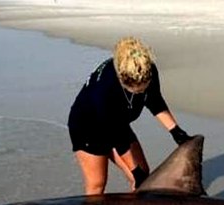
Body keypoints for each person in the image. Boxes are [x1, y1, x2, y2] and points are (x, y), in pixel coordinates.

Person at [67, 37, 192, 195]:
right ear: (121, 78)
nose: (140, 92)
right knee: (97, 183)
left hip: (118, 122)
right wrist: (135, 170)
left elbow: (154, 100)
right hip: (88, 127)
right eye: (135, 90)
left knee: (144, 178)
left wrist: (175, 131)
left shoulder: (148, 70)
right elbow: (116, 135)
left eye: (143, 88)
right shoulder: (105, 87)